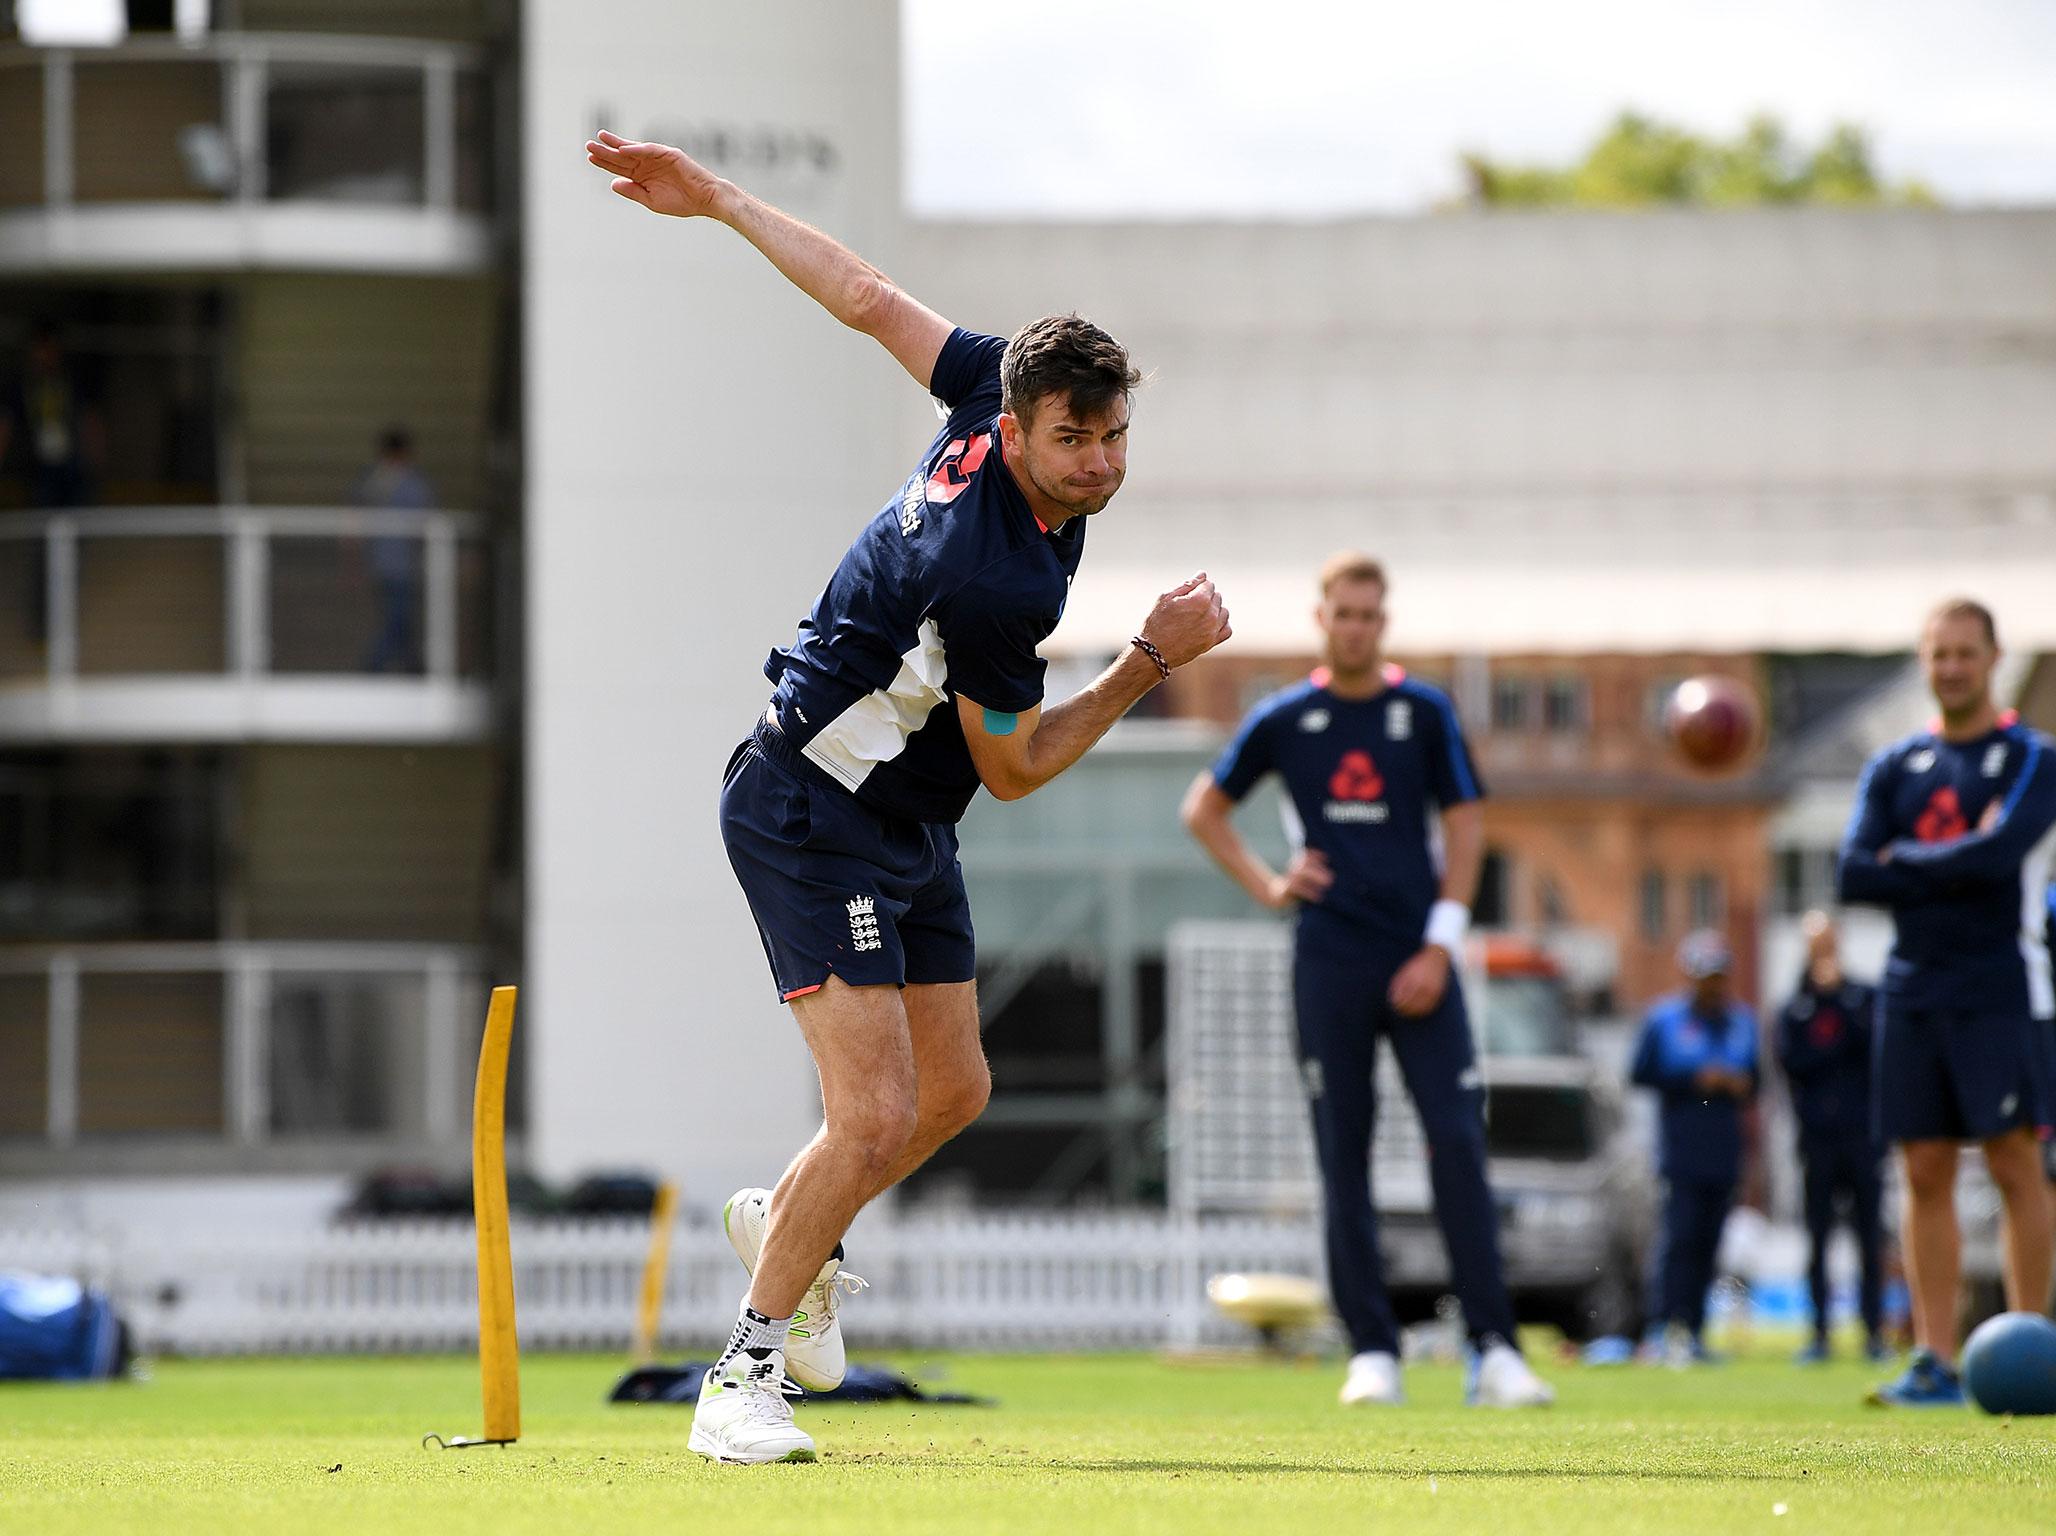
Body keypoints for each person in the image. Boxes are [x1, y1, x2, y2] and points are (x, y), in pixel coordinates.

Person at [586, 128, 1231, 1464]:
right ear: (1016, 425)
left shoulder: (1005, 403)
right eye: (1076, 439)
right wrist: (1152, 661)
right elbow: (1020, 768)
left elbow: (868, 297)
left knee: (952, 1092)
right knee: (872, 1114)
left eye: (1116, 435)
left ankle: (792, 1234)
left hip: (898, 809)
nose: (1102, 462)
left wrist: (715, 199)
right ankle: (739, 1382)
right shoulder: (996, 576)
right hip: (807, 804)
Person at [1180, 553, 1553, 1409]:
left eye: (1370, 614)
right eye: (1343, 612)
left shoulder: (1421, 713)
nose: (1356, 626)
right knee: (1341, 1154)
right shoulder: (1287, 718)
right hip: (1330, 959)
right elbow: (1203, 808)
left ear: (1384, 623)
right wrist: (1272, 884)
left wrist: (1440, 944)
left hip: (1419, 957)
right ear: (1321, 619)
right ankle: (1373, 1352)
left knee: (1457, 1140)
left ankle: (1493, 1348)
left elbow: (1466, 823)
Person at [1837, 597, 2056, 1407]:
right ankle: (1933, 1356)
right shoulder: (1893, 766)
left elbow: (2005, 855)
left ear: (1994, 658)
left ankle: (2030, 1343)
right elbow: (1852, 873)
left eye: (1967, 652)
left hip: (2000, 985)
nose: (1953, 667)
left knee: (2013, 1161)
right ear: (1925, 663)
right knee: (1922, 1168)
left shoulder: (2032, 756)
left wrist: (1912, 863)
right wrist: (1956, 864)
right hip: (1912, 986)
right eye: (1940, 654)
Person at [1631, 929, 1759, 1366]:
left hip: (1723, 1152)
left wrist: (1734, 1084)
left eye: (1719, 976)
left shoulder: (1742, 1022)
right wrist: (1692, 1081)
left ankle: (1698, 1331)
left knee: (1709, 1245)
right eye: (1706, 976)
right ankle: (1661, 1328)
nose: (1713, 985)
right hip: (1681, 1150)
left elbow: (1757, 1081)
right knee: (1677, 1241)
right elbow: (1640, 1074)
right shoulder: (1664, 1019)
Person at [1775, 910, 1887, 1364]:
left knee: (1869, 1239)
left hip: (1862, 1137)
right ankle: (1819, 1331)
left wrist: (1838, 999)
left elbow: (1873, 1052)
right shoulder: (1793, 1007)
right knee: (1817, 1239)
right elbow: (1795, 1064)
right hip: (1817, 1140)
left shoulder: (1862, 997)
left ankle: (1873, 1332)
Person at [351, 427, 433, 674]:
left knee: (401, 620)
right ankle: (373, 667)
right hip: (396, 565)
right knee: (398, 620)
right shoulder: (405, 484)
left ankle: (414, 670)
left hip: (392, 564)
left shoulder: (374, 481)